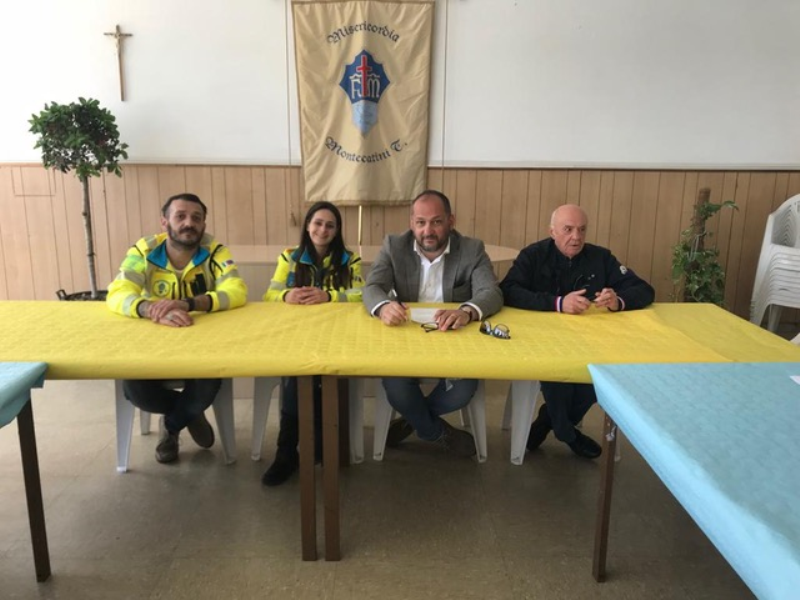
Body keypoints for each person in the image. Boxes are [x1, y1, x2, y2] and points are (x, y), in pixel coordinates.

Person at [500, 204, 655, 459]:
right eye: (568, 229)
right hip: (543, 340)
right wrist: (558, 303)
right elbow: (508, 290)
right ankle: (566, 433)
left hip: (590, 341)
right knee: (556, 372)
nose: (576, 237)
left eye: (582, 230)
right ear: (552, 231)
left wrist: (618, 301)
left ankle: (547, 422)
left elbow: (644, 290)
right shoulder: (534, 255)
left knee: (599, 377)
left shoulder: (601, 258)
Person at [107, 192, 247, 464]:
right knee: (134, 390)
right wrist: (150, 309)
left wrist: (189, 303)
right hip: (152, 344)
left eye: (196, 218)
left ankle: (170, 428)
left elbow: (236, 291)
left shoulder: (216, 251)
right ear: (165, 222)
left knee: (209, 383)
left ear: (204, 224)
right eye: (180, 216)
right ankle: (189, 413)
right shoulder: (144, 251)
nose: (188, 223)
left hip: (202, 345)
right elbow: (117, 292)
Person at [363, 190, 503, 458]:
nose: (427, 231)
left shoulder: (472, 249)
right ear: (411, 223)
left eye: (436, 222)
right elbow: (372, 287)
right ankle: (435, 431)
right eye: (420, 222)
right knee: (397, 388)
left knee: (462, 390)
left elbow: (491, 292)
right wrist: (383, 307)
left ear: (451, 221)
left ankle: (413, 420)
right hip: (406, 337)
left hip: (454, 338)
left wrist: (466, 311)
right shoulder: (394, 246)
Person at [261, 201, 363, 486]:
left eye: (330, 225)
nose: (323, 230)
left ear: (337, 231)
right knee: (297, 376)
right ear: (307, 225)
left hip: (338, 336)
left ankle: (316, 443)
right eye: (318, 223)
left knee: (318, 377)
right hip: (297, 335)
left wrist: (329, 296)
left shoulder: (350, 260)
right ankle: (287, 452)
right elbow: (269, 295)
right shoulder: (289, 257)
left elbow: (361, 294)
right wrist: (286, 296)